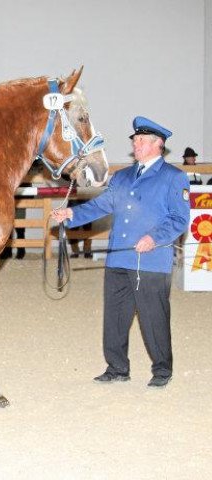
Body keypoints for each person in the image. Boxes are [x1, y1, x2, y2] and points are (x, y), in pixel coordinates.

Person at [51, 116, 190, 388]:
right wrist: (70, 214)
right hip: (119, 257)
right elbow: (101, 206)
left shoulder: (174, 177)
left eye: (141, 141)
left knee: (153, 317)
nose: (135, 144)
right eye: (135, 140)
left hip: (151, 261)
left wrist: (154, 237)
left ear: (157, 144)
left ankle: (162, 370)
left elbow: (179, 218)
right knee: (115, 317)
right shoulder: (123, 177)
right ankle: (117, 368)